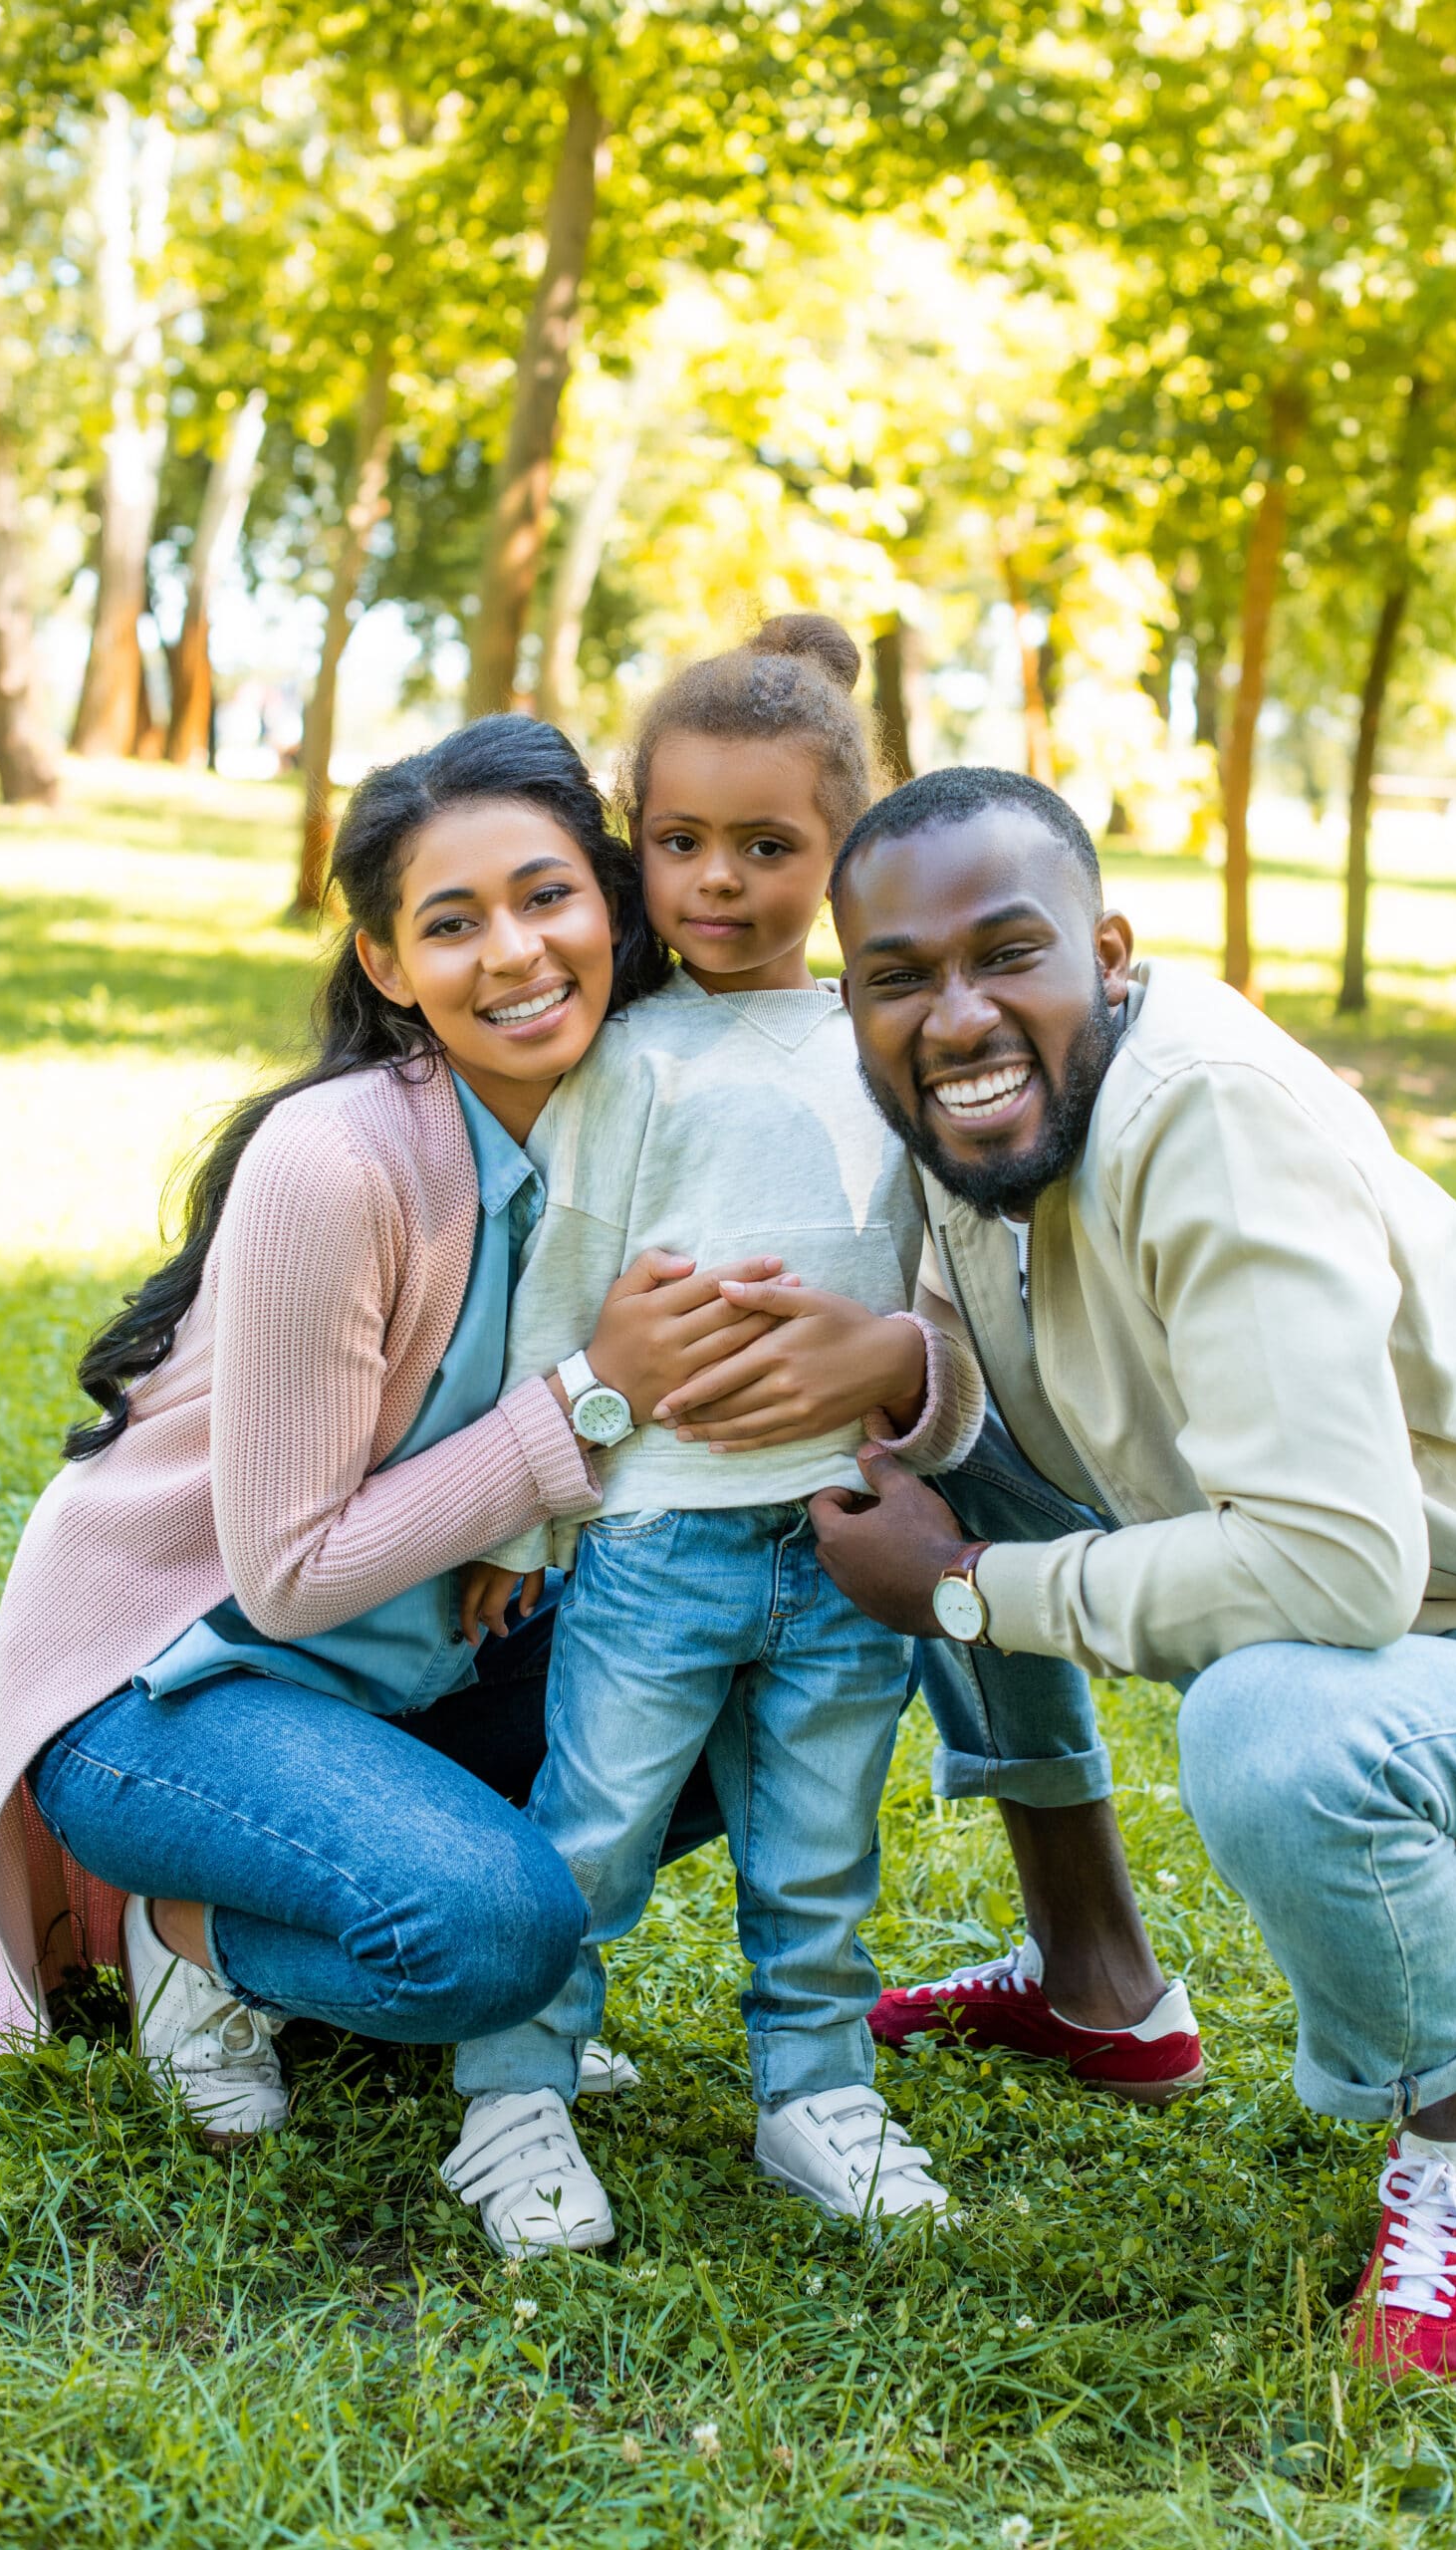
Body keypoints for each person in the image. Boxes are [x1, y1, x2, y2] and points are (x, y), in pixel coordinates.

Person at [809, 763, 1456, 2386]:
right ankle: (1096, 1988)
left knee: (1273, 1725)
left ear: (1108, 954)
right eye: (899, 980)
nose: (958, 1018)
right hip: (1399, 1652)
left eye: (1010, 956)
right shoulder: (964, 1113)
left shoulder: (1204, 1114)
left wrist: (972, 1588)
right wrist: (889, 1394)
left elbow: (1334, 1571)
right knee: (911, 1447)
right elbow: (966, 1352)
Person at [0, 717, 792, 2140]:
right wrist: (588, 1403)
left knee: (774, 1664)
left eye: (546, 896)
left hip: (417, 1662)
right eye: (451, 923)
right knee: (490, 1936)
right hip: (176, 1686)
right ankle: (192, 1943)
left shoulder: (647, 1115)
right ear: (389, 967)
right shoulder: (339, 1159)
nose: (517, 953)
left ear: (610, 901)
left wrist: (543, 1521)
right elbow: (288, 1571)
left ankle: (357, 1930)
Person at [448, 617, 989, 2253]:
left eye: (769, 847)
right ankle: (514, 2093)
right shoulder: (625, 1056)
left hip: (842, 1544)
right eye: (679, 843)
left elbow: (943, 1292)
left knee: (818, 1853)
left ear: (845, 860)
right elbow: (562, 1290)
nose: (719, 882)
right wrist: (521, 1523)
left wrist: (913, 1398)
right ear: (635, 842)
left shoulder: (885, 1049)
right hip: (660, 1540)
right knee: (593, 1834)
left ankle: (815, 2093)